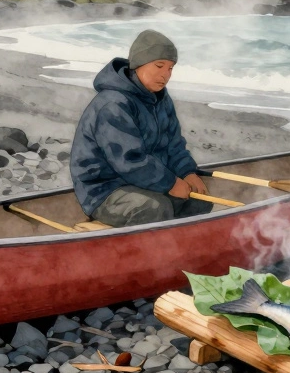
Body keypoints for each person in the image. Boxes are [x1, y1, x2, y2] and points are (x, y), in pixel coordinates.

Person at [71, 30, 212, 227]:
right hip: (104, 188)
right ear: (139, 64)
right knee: (154, 208)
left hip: (145, 182)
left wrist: (187, 172)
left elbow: (174, 144)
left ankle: (178, 250)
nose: (165, 75)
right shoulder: (113, 103)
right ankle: (141, 253)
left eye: (171, 68)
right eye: (159, 66)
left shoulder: (161, 98)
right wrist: (171, 184)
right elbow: (129, 160)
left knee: (199, 200)